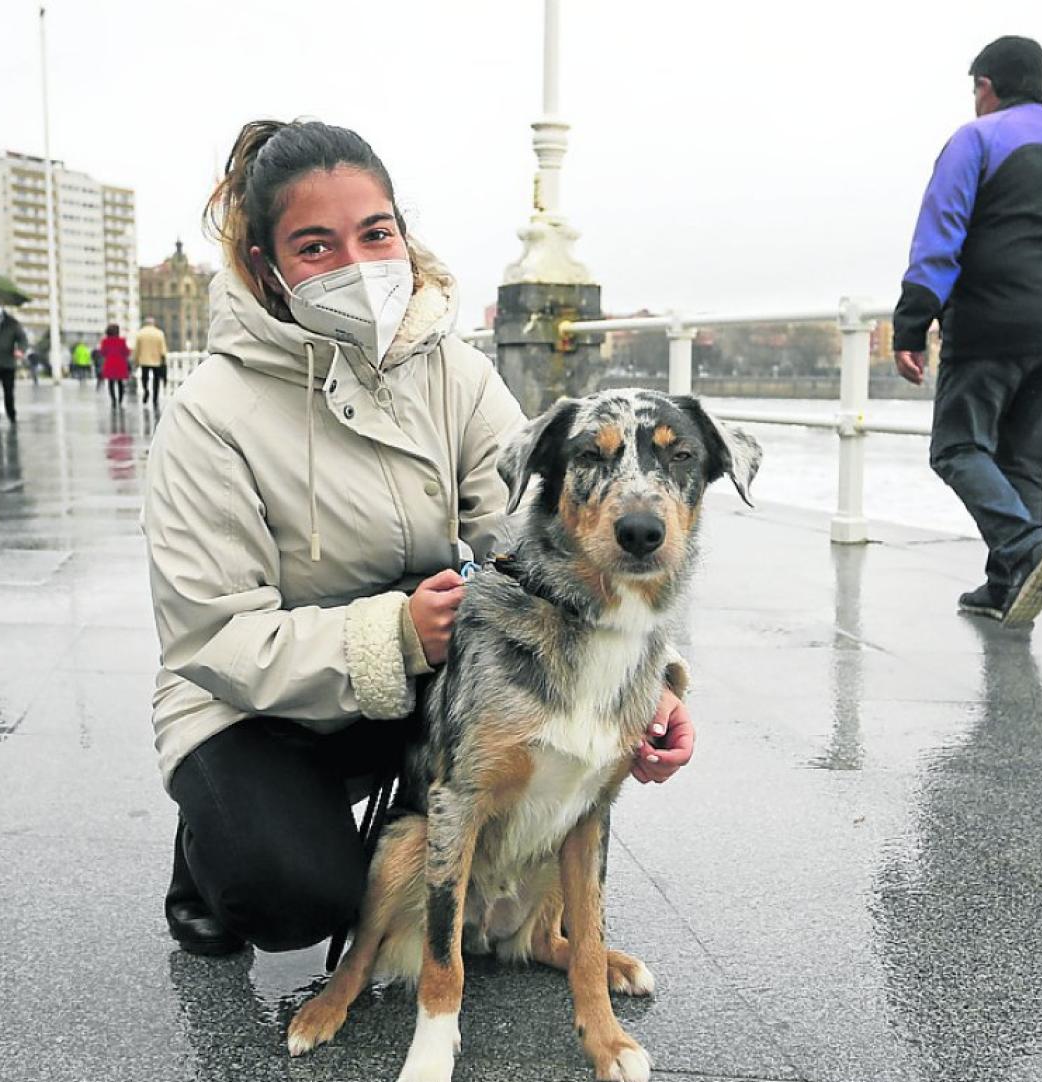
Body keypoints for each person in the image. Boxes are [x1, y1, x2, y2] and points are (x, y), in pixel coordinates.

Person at [143, 118, 699, 957]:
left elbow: (533, 538)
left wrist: (641, 682)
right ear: (265, 266)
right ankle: (212, 843)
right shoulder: (207, 417)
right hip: (250, 700)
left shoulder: (456, 373)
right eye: (316, 247)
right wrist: (395, 633)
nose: (359, 267)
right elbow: (210, 632)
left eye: (376, 234)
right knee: (292, 896)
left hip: (421, 679)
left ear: (404, 230)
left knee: (541, 752)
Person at [893, 35, 1042, 626]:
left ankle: (1025, 549)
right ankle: (1006, 587)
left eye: (975, 90)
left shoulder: (976, 140)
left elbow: (940, 234)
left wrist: (912, 322)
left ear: (986, 86)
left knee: (957, 447)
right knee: (1022, 466)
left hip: (992, 323)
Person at [133, 315, 169, 406]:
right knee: (156, 380)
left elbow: (137, 349)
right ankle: (155, 398)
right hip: (156, 360)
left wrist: (136, 360)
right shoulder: (159, 333)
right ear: (153, 324)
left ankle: (146, 390)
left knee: (144, 377)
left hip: (144, 360)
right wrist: (163, 357)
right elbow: (163, 348)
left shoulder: (140, 333)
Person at [98, 323, 132, 409]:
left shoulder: (105, 341)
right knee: (120, 383)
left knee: (111, 383)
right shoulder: (122, 341)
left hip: (110, 364)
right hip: (120, 364)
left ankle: (113, 400)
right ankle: (120, 400)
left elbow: (102, 352)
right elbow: (126, 352)